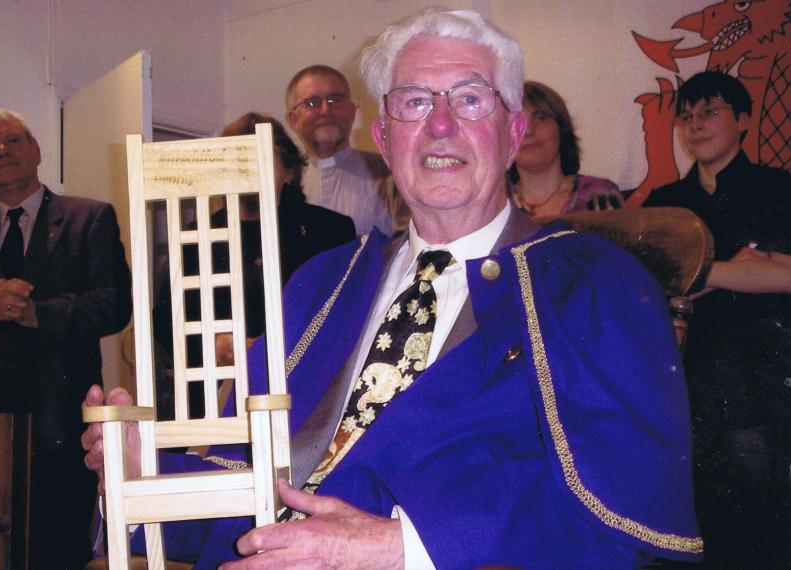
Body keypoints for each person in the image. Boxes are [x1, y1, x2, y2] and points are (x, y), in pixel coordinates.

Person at [84, 10, 701, 568]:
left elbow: (631, 503)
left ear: (513, 134)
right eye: (413, 103)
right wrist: (142, 473)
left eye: (470, 99)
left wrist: (402, 546)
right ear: (383, 139)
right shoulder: (323, 279)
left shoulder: (594, 283)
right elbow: (240, 484)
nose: (440, 126)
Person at [0, 108, 133, 568]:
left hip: (63, 416)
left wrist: (37, 313)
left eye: (13, 141)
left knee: (59, 547)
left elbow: (114, 303)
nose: (3, 151)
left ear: (36, 149)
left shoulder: (89, 217)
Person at [642, 71, 791, 568]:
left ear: (744, 120)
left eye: (710, 112)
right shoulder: (664, 203)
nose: (695, 125)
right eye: (686, 116)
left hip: (755, 378)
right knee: (684, 525)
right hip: (678, 379)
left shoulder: (777, 188)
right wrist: (740, 267)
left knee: (757, 525)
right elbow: (642, 283)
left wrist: (699, 273)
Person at [152, 113, 355, 396]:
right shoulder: (197, 235)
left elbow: (347, 317)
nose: (247, 170)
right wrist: (213, 346)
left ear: (289, 172)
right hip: (220, 393)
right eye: (238, 161)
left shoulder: (330, 231)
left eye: (259, 158)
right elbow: (165, 322)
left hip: (305, 389)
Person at [285, 64, 408, 235]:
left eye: (335, 100)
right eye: (312, 103)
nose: (325, 110)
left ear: (352, 112)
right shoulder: (285, 182)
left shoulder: (390, 175)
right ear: (293, 119)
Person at [507, 80, 623, 218]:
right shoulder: (494, 204)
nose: (529, 131)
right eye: (518, 123)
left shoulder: (599, 195)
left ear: (561, 128)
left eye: (541, 118)